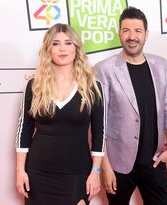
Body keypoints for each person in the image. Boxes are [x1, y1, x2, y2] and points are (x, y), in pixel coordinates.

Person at [94, 6, 167, 205]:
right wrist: (105, 167)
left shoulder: (161, 64)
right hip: (118, 163)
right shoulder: (104, 69)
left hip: (155, 160)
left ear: (146, 34)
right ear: (119, 33)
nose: (132, 36)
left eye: (138, 31)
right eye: (126, 30)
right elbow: (99, 122)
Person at [15, 23, 105, 205]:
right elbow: (23, 130)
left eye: (68, 43)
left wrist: (96, 172)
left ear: (76, 48)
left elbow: (99, 133)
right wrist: (20, 171)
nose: (62, 48)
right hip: (38, 174)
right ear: (48, 49)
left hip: (77, 173)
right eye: (56, 43)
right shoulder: (34, 86)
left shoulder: (93, 87)